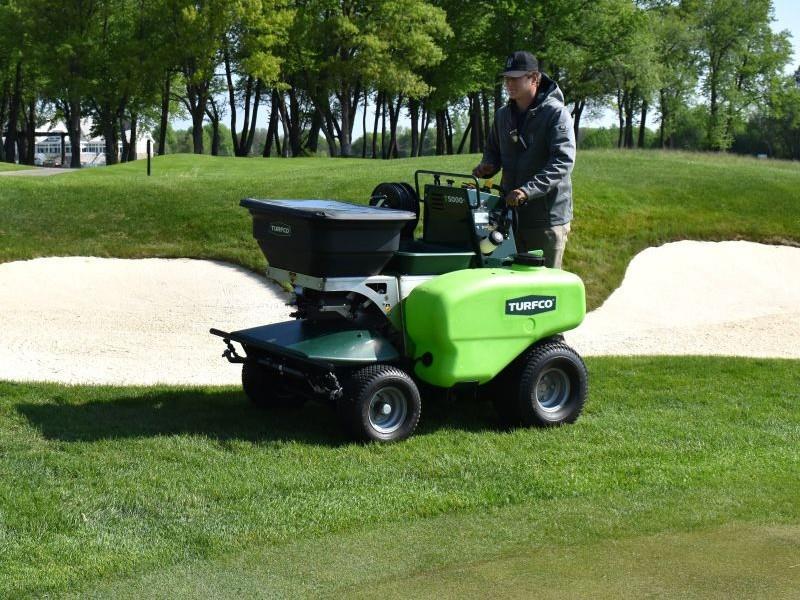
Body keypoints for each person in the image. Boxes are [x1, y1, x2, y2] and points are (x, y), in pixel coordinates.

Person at [472, 51, 576, 269]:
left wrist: (528, 190)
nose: (509, 83)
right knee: (510, 286)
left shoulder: (556, 114)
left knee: (545, 290)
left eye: (516, 77)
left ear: (534, 78)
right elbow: (492, 151)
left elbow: (562, 162)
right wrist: (488, 167)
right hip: (509, 217)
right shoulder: (502, 115)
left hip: (546, 220)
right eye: (507, 78)